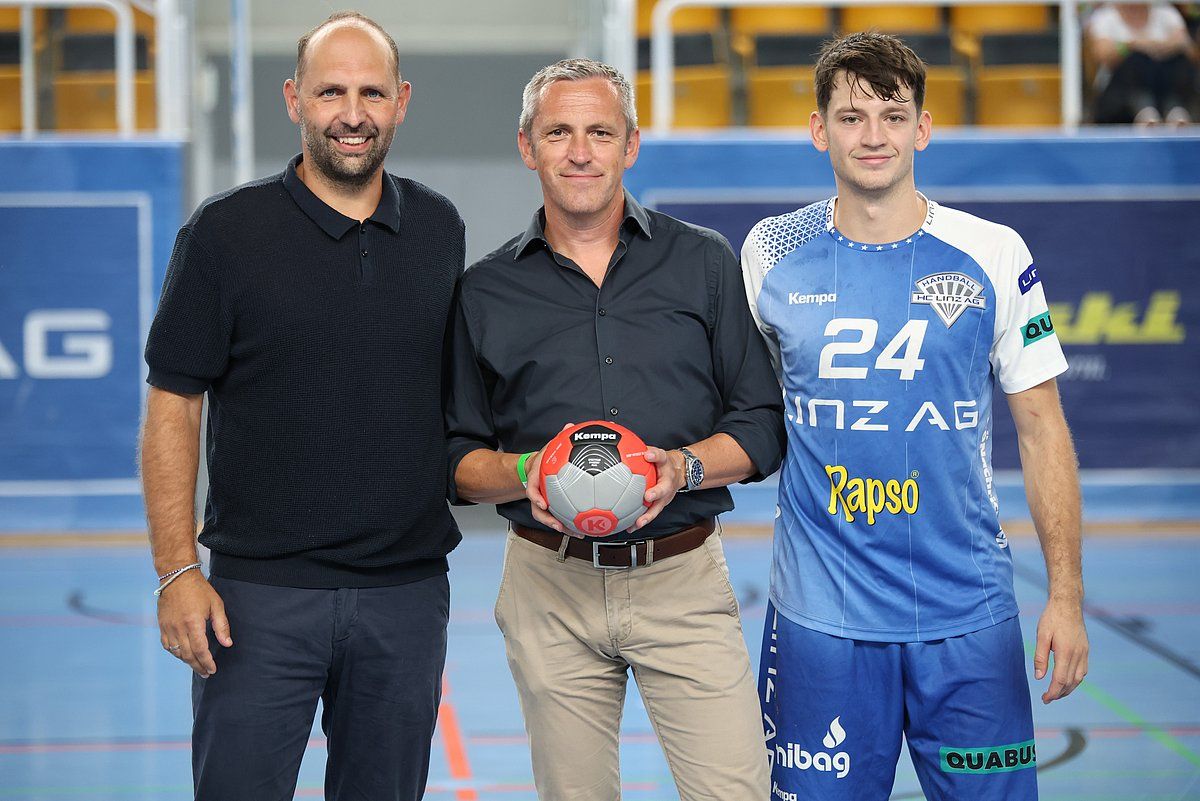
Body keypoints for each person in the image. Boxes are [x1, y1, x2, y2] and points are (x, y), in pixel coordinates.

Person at [742, 33, 1089, 801]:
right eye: (852, 115)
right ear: (817, 129)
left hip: (967, 623)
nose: (873, 136)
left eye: (893, 116)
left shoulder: (994, 252)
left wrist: (1065, 597)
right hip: (820, 625)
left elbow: (1042, 428)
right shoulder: (769, 251)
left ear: (922, 130)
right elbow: (743, 413)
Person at [140, 12, 464, 801]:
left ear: (402, 100)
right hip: (257, 601)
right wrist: (177, 569)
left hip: (405, 598)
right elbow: (173, 407)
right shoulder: (223, 233)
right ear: (294, 99)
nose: (352, 113)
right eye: (330, 91)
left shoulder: (439, 228)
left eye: (371, 92)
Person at [445, 58, 784, 800]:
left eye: (600, 131)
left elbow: (761, 424)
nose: (579, 151)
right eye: (558, 132)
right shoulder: (486, 290)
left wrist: (682, 468)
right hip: (549, 584)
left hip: (683, 578)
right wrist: (528, 470)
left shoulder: (702, 262)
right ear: (527, 146)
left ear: (630, 144)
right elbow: (458, 459)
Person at [1087, 2, 1197, 125]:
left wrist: (1159, 46)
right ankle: (1143, 108)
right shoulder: (1105, 17)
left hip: (1164, 90)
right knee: (1137, 59)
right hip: (1120, 97)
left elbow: (1189, 51)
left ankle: (1175, 108)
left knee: (1178, 59)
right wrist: (1132, 45)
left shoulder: (1166, 12)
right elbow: (1103, 55)